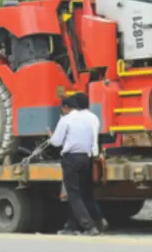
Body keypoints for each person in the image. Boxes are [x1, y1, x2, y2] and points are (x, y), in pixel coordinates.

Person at [49, 95, 100, 236]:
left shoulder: (65, 120)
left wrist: (51, 136)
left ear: (66, 107)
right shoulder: (88, 120)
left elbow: (56, 142)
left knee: (73, 195)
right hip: (86, 158)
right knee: (80, 193)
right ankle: (71, 226)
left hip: (71, 159)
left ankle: (89, 226)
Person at [72, 92, 105, 232]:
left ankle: (87, 225)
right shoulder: (94, 118)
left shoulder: (72, 119)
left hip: (76, 157)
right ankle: (99, 221)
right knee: (88, 193)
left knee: (75, 194)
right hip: (91, 157)